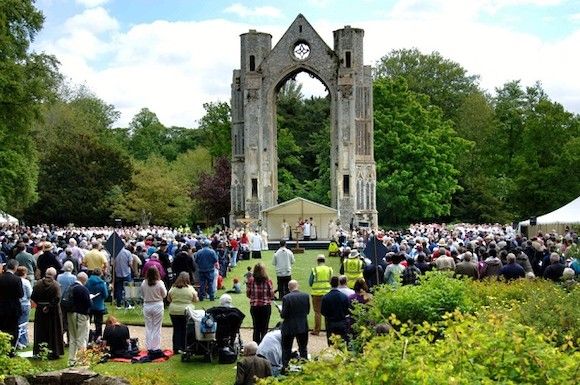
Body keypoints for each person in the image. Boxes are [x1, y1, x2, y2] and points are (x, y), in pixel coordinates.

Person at [31, 267, 64, 360]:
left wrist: (41, 305)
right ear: (54, 275)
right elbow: (57, 298)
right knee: (54, 331)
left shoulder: (38, 284)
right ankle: (54, 351)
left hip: (40, 311)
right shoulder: (56, 285)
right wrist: (49, 306)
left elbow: (33, 296)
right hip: (53, 312)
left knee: (40, 331)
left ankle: (39, 351)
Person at [280, 280, 310, 371]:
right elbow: (307, 311)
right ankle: (305, 367)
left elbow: (284, 315)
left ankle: (285, 367)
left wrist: (280, 312)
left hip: (289, 326)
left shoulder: (286, 298)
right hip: (302, 325)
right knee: (303, 348)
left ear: (289, 288)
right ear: (298, 286)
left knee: (286, 349)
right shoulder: (305, 296)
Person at [168, 271, 198, 353]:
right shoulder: (190, 288)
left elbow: (169, 299)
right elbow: (195, 300)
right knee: (185, 329)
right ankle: (184, 346)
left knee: (176, 329)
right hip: (185, 311)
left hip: (174, 310)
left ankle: (176, 347)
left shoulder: (173, 288)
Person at [246, 263, 275, 344]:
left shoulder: (251, 281)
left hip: (255, 307)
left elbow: (248, 294)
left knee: (256, 328)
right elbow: (271, 294)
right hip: (265, 307)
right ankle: (263, 347)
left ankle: (255, 346)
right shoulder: (268, 281)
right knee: (264, 328)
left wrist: (254, 298)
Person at [141, 266, 167, 352]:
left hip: (147, 305)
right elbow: (164, 294)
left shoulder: (144, 283)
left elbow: (142, 294)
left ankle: (149, 346)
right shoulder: (160, 283)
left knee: (148, 327)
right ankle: (155, 347)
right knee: (157, 327)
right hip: (157, 304)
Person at [67, 272, 91, 366]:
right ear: (84, 280)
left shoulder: (70, 287)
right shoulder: (83, 289)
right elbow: (88, 304)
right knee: (81, 338)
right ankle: (82, 360)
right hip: (81, 314)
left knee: (72, 338)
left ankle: (71, 360)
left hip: (70, 313)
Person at [0, 259, 24, 352]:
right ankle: (11, 349)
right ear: (15, 267)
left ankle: (2, 347)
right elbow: (20, 294)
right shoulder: (17, 279)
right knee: (13, 329)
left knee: (2, 327)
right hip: (13, 308)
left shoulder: (1, 278)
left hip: (2, 307)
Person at [321, 276, 350, 346]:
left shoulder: (326, 297)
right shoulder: (344, 296)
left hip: (330, 323)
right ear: (338, 283)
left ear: (330, 283)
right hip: (342, 322)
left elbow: (323, 311)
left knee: (331, 344)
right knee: (342, 343)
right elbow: (347, 310)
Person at [308, 255, 332, 336]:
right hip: (327, 293)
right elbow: (331, 280)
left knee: (317, 312)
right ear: (324, 261)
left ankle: (317, 330)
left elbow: (310, 282)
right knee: (328, 313)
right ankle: (329, 329)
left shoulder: (315, 269)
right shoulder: (329, 269)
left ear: (317, 261)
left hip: (316, 293)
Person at [86, 267, 109, 340]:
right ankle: (98, 337)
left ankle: (88, 336)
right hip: (99, 305)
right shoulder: (101, 283)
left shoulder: (87, 281)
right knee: (98, 323)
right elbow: (105, 295)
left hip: (89, 305)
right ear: (100, 274)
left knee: (87, 322)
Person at [15, 266, 32, 349]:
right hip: (25, 303)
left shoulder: (15, 281)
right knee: (24, 323)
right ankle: (23, 341)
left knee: (18, 322)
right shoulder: (26, 282)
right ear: (24, 273)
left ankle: (18, 341)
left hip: (17, 303)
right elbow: (30, 293)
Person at [114, 244, 134, 309]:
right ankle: (127, 305)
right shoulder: (128, 253)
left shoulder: (115, 253)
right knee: (127, 290)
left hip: (118, 274)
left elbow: (113, 264)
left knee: (119, 289)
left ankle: (118, 305)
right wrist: (133, 270)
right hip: (127, 273)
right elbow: (130, 263)